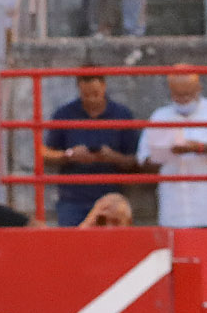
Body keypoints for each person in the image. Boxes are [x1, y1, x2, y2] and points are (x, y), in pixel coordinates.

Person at [140, 69, 207, 227]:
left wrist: (199, 147)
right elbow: (144, 161)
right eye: (177, 95)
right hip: (174, 216)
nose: (183, 100)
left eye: (187, 94)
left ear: (199, 89)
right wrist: (166, 152)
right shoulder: (159, 116)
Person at [42, 74, 142, 227]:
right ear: (78, 89)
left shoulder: (122, 115)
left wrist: (112, 157)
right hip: (73, 198)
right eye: (86, 95)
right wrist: (70, 154)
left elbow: (136, 161)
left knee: (113, 246)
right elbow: (45, 154)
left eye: (95, 94)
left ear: (104, 87)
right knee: (72, 245)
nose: (91, 99)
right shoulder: (64, 114)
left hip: (111, 197)